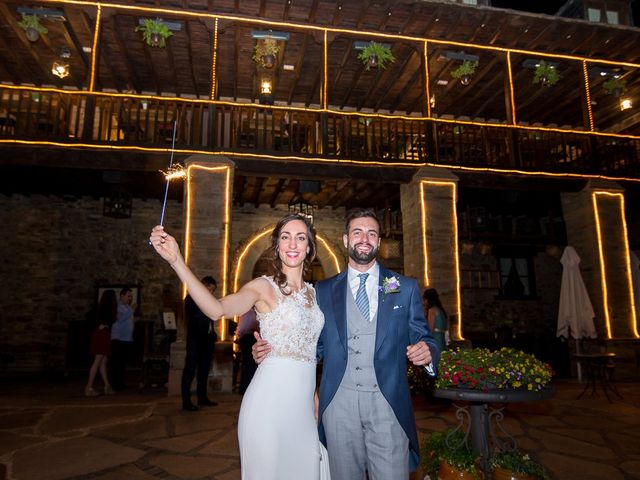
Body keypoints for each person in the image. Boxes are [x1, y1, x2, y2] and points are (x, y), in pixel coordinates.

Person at [254, 208, 440, 480]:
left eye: (371, 233)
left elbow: (424, 336)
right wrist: (271, 352)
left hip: (388, 405)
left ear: (378, 242)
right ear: (345, 240)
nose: (364, 238)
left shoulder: (403, 286)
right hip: (338, 406)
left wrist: (428, 351)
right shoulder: (325, 290)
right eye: (357, 232)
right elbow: (311, 345)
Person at [149, 214, 330, 480]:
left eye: (300, 238)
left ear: (310, 247)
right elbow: (216, 309)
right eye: (285, 237)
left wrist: (314, 397)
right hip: (267, 405)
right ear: (277, 246)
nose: (293, 244)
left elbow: (310, 351)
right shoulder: (262, 288)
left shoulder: (316, 295)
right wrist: (177, 261)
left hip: (303, 409)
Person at [182, 275, 219, 411]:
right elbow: (195, 317)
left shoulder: (209, 300)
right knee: (190, 370)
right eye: (211, 289)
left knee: (204, 370)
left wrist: (213, 335)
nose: (212, 293)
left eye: (213, 290)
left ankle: (202, 397)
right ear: (204, 286)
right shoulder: (191, 298)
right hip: (195, 340)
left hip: (207, 340)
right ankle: (186, 401)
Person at [85, 289, 117, 397]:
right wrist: (100, 326)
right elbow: (91, 318)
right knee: (98, 361)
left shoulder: (101, 308)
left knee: (103, 361)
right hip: (102, 335)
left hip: (103, 334)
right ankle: (88, 387)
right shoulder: (105, 309)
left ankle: (107, 386)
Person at [109, 287, 135, 391]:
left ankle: (121, 383)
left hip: (127, 339)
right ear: (122, 296)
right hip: (118, 339)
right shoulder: (118, 307)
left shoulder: (128, 307)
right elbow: (120, 319)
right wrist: (132, 310)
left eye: (131, 296)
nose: (130, 298)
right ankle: (114, 384)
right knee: (116, 363)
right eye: (128, 296)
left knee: (123, 363)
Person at [236, 308, 259, 394]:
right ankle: (245, 387)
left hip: (249, 339)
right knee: (249, 365)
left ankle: (245, 387)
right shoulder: (249, 312)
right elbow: (246, 327)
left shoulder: (249, 311)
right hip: (249, 339)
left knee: (249, 365)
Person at [423, 287, 448, 353]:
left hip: (436, 339)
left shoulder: (432, 310)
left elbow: (430, 329)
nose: (424, 302)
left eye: (425, 299)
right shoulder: (441, 310)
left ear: (428, 299)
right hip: (442, 339)